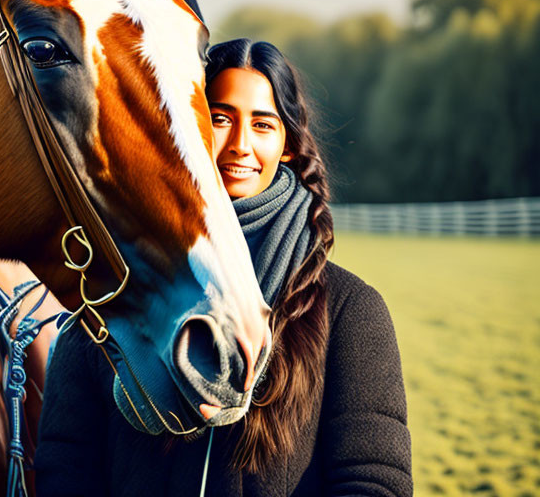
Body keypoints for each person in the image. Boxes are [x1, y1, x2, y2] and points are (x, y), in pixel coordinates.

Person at [34, 38, 413, 496]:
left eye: (263, 124)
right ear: (184, 127)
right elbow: (66, 465)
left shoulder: (352, 311)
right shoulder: (111, 290)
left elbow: (373, 482)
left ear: (288, 146)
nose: (239, 144)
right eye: (220, 118)